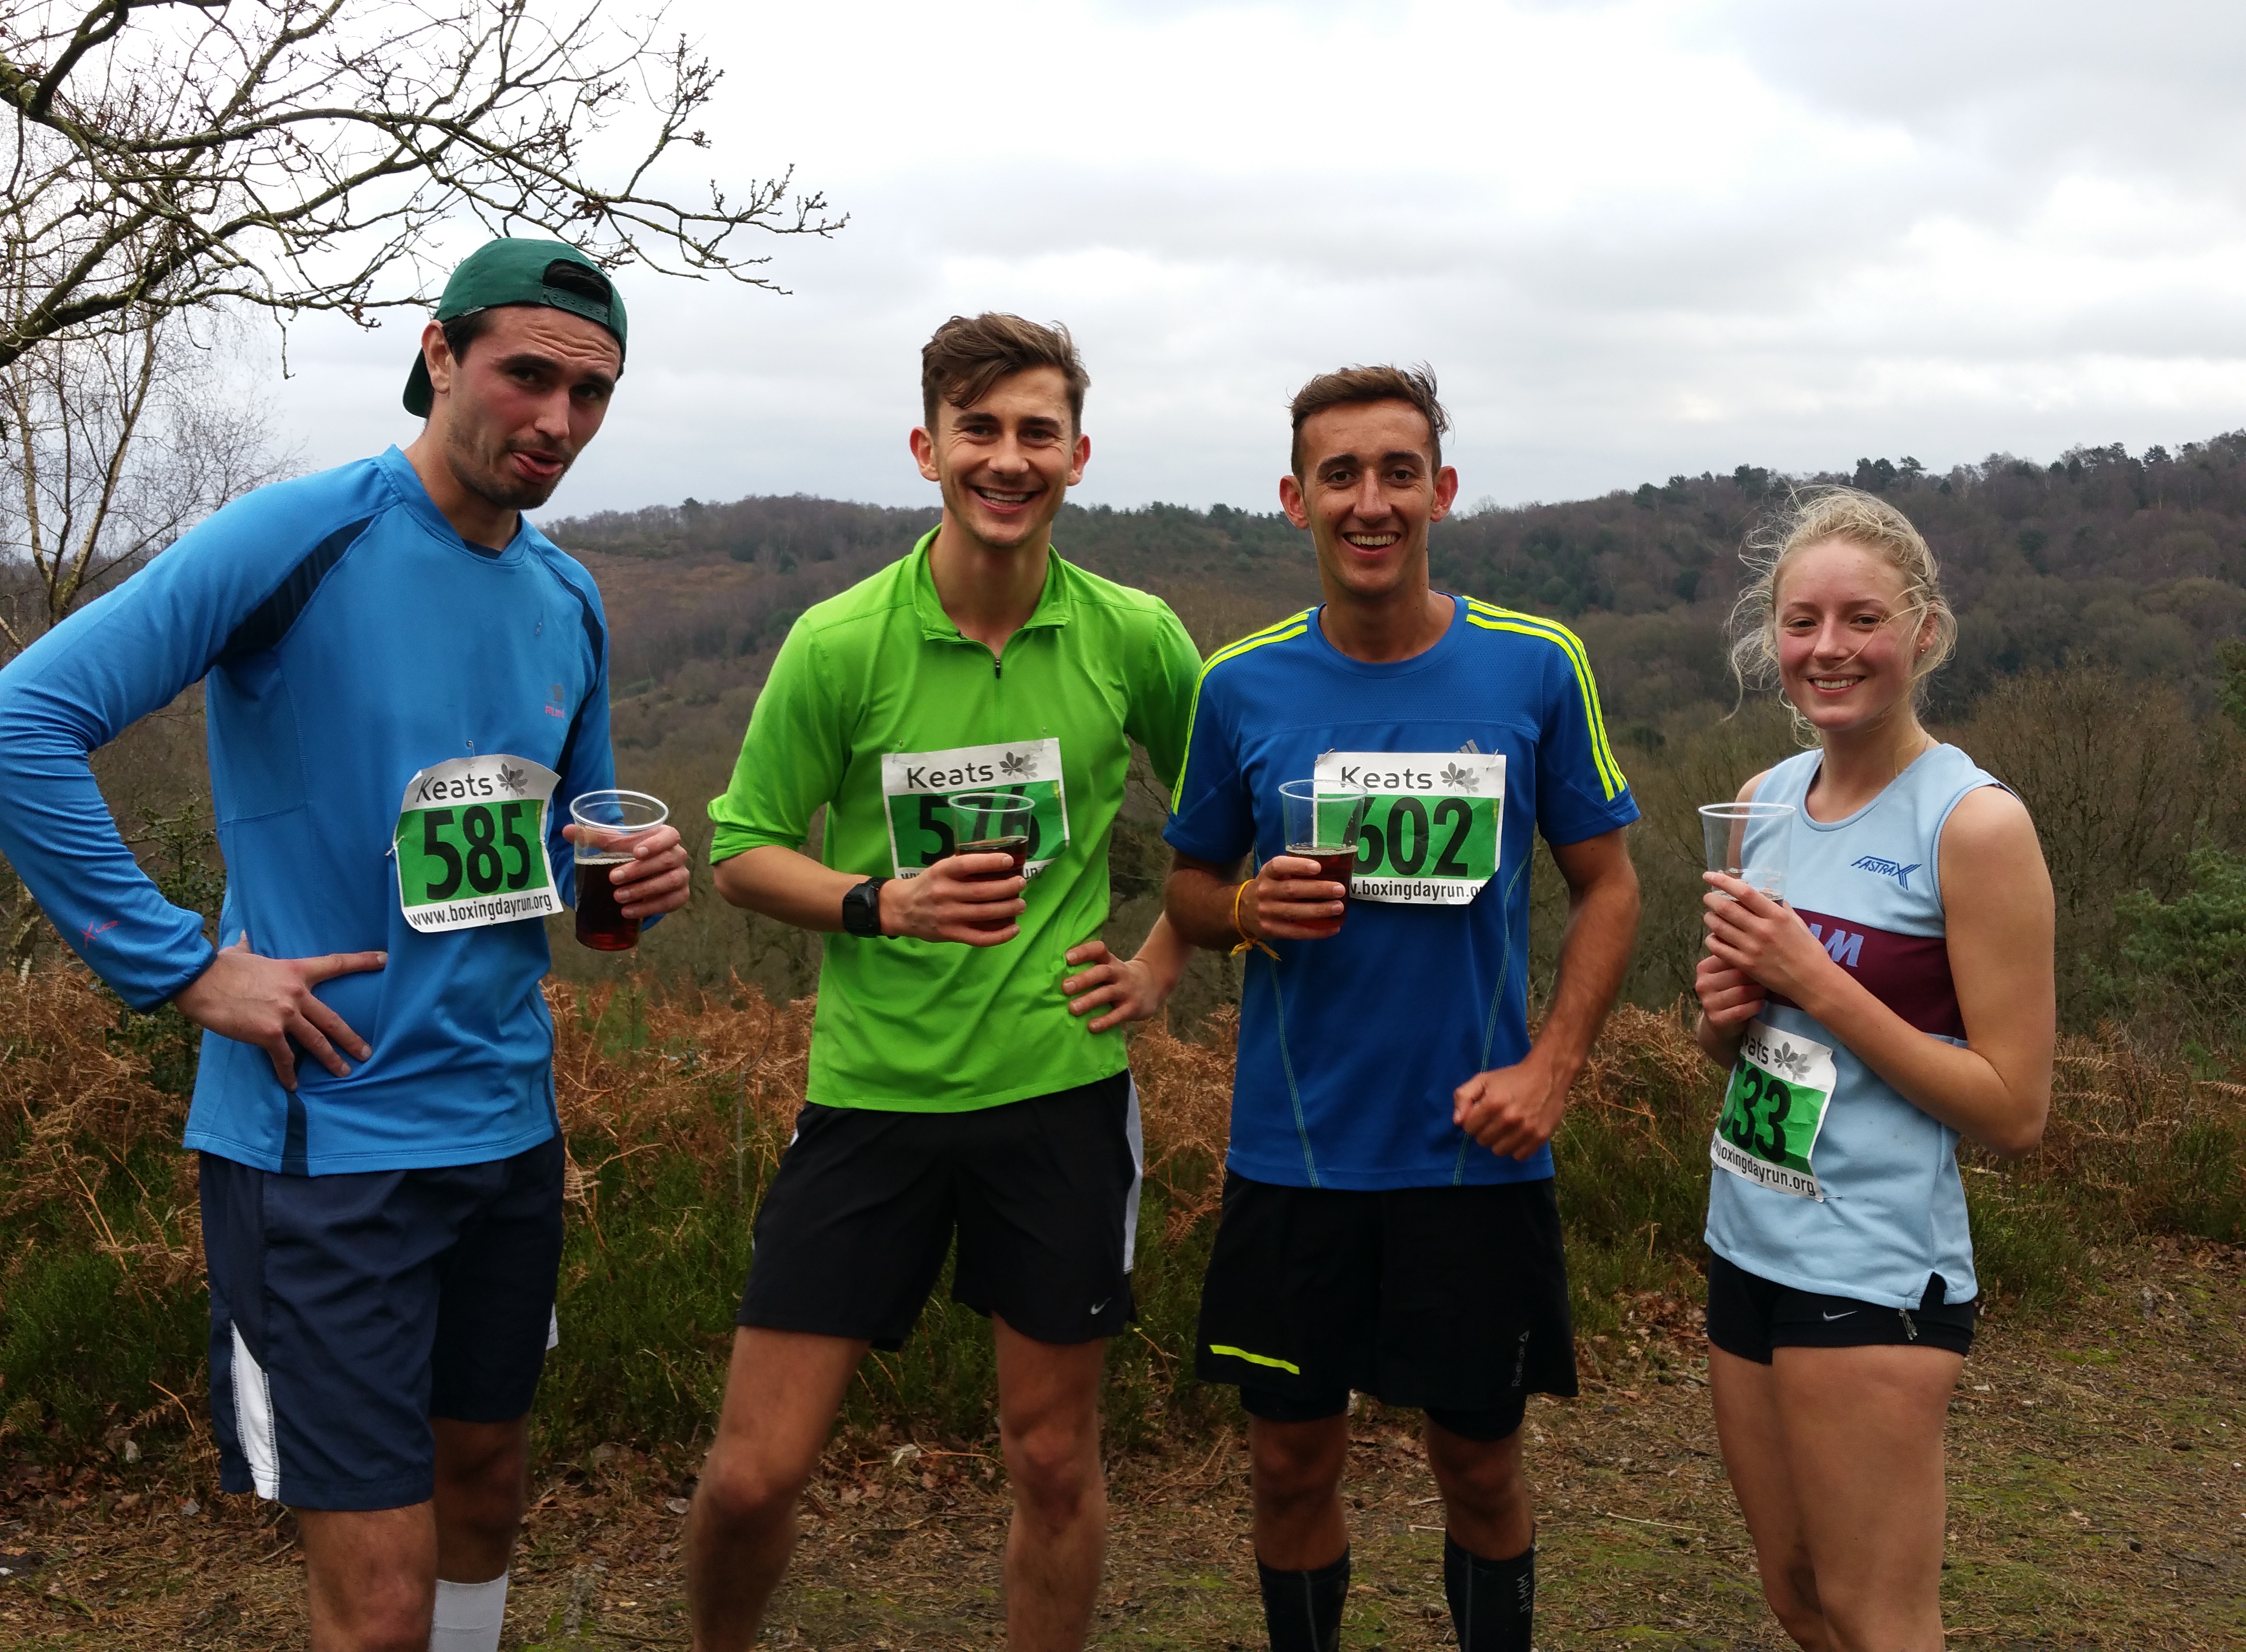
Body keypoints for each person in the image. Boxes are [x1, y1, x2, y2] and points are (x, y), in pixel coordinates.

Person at [0, 239, 689, 1652]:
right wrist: (184, 966)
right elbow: (22, 725)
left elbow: (565, 859)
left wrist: (627, 888)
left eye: (593, 394)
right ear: (441, 356)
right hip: (326, 1152)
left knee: (485, 1498)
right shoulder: (299, 536)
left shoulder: (570, 596)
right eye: (527, 376)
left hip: (506, 1135)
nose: (558, 422)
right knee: (375, 1605)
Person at [684, 313, 1204, 1652]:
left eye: (1037, 432)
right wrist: (880, 901)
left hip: (1060, 1095)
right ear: (929, 450)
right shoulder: (841, 642)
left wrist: (1158, 964)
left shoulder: (1134, 635)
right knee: (752, 1476)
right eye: (980, 430)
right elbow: (739, 852)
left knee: (1050, 1462)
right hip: (874, 1098)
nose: (1009, 458)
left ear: (1078, 455)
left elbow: (1226, 822)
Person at [1160, 366, 1642, 1652]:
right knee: (1288, 1471)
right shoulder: (1239, 685)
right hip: (1296, 1156)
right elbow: (1192, 888)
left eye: (1396, 471)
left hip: (1474, 1154)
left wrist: (1555, 1068)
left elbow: (1610, 886)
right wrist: (1245, 911)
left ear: (1442, 490)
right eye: (1340, 474)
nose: (1370, 501)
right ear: (1293, 498)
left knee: (1480, 1471)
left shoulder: (1538, 666)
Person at [1691, 488, 2053, 1651]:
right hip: (1745, 1236)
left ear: (1926, 632)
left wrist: (1818, 978)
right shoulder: (1760, 802)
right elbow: (1750, 1044)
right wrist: (1723, 1014)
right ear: (1772, 640)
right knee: (1797, 1595)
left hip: (1876, 1266)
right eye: (1802, 623)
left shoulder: (1975, 826)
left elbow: (2014, 1107)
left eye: (1863, 618)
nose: (1829, 648)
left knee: (1876, 1614)